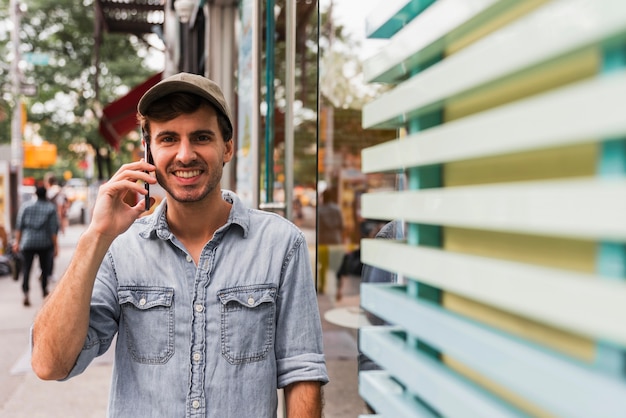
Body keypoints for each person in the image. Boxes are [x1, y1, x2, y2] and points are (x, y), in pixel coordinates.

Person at [31, 72, 328, 417]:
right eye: (168, 139)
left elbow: (302, 372)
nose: (185, 155)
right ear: (148, 151)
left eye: (201, 137)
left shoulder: (280, 244)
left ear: (227, 147)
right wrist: (95, 236)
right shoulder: (120, 249)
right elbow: (50, 364)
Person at [13, 186, 59, 306]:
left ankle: (26, 292)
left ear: (36, 194)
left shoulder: (26, 207)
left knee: (27, 269)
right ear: (46, 195)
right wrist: (56, 246)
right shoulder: (50, 208)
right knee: (44, 268)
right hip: (45, 243)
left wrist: (17, 242)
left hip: (27, 242)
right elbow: (53, 229)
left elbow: (19, 226)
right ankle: (44, 290)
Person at [317, 187, 343, 294]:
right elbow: (341, 225)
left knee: (323, 265)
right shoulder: (336, 209)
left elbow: (319, 226)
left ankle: (322, 286)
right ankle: (338, 287)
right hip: (335, 240)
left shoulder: (320, 210)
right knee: (336, 265)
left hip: (323, 240)